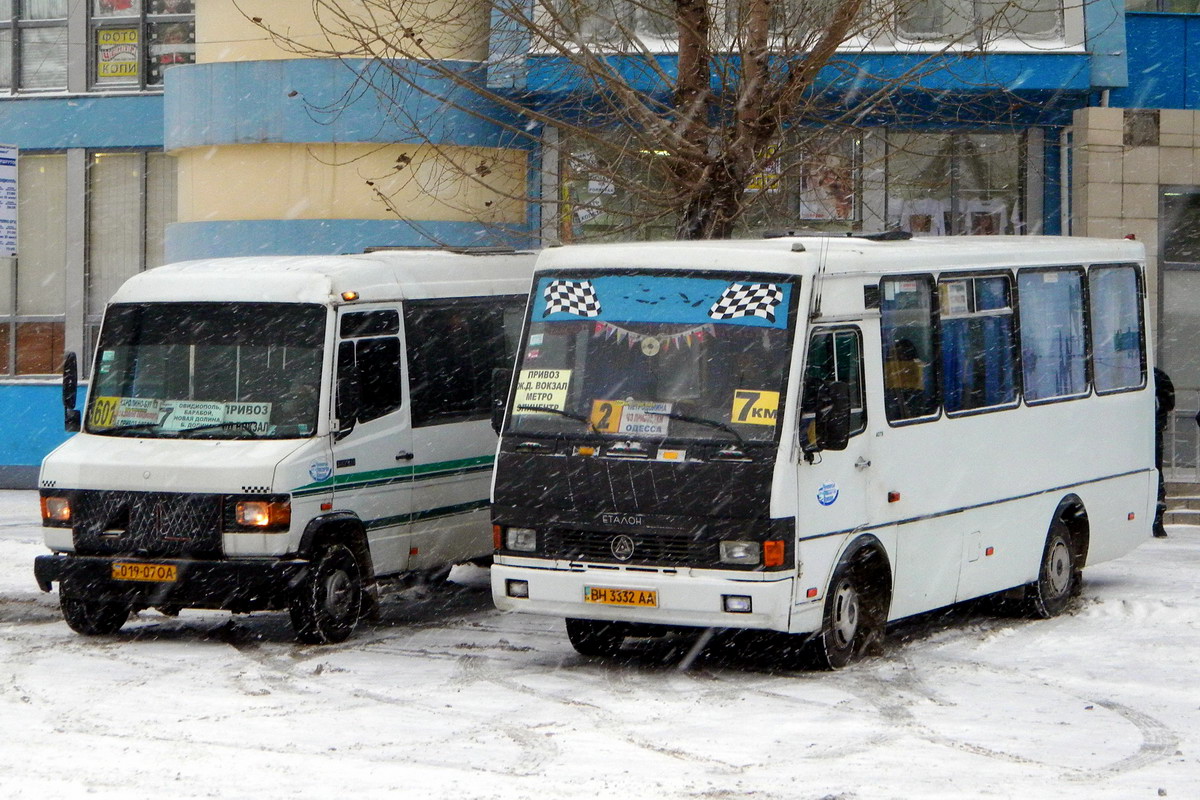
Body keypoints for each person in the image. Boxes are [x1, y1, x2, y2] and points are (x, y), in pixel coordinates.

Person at [1154, 367, 1175, 538]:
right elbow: (1170, 403)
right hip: (1155, 433)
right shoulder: (1160, 376)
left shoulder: (1132, 374)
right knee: (1156, 474)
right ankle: (1157, 520)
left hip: (1137, 434)